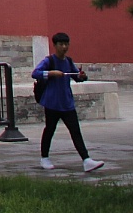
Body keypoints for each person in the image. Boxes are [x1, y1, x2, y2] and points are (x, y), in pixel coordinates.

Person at [32, 31, 105, 172]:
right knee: (49, 130)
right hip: (52, 103)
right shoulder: (49, 61)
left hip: (67, 103)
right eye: (61, 44)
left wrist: (82, 76)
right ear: (55, 45)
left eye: (66, 44)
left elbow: (77, 76)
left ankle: (86, 160)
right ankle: (44, 158)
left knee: (75, 131)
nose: (64, 47)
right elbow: (35, 73)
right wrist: (51, 73)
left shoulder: (69, 61)